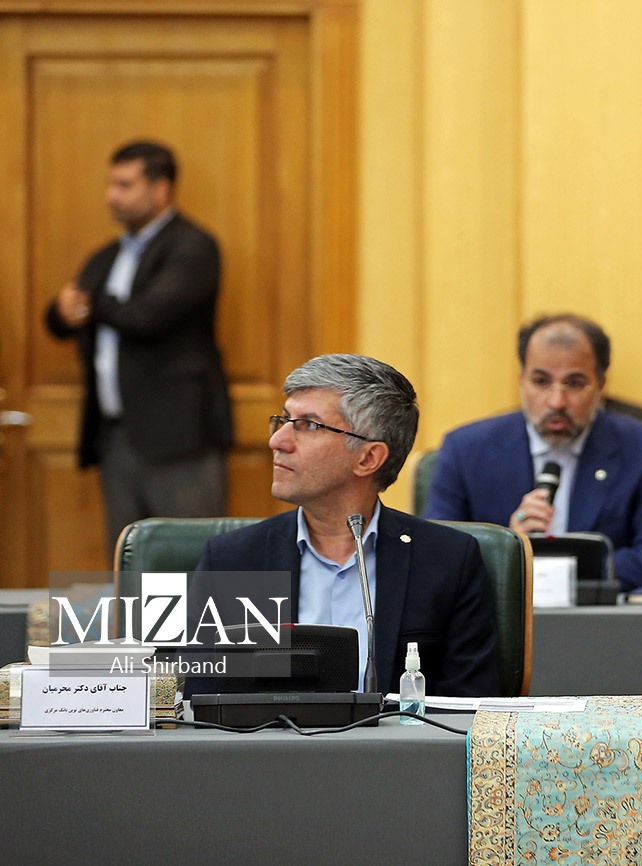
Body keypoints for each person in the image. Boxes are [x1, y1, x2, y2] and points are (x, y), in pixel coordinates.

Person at [192, 354, 500, 697]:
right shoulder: (234, 560)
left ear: (368, 458)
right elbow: (198, 700)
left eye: (308, 425)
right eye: (283, 420)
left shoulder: (447, 560)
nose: (277, 441)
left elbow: (468, 706)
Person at [44, 140, 232, 562]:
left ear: (160, 189)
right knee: (131, 564)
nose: (111, 196)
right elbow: (61, 318)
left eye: (125, 185)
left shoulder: (193, 247)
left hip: (179, 438)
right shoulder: (107, 257)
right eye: (111, 184)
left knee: (193, 562)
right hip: (117, 437)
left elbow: (149, 316)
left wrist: (89, 304)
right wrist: (63, 311)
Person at [421, 313, 642, 590]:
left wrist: (551, 572)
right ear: (522, 381)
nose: (557, 401)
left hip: (600, 613)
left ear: (601, 386)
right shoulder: (466, 449)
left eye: (574, 383)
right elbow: (434, 557)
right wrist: (506, 552)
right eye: (541, 381)